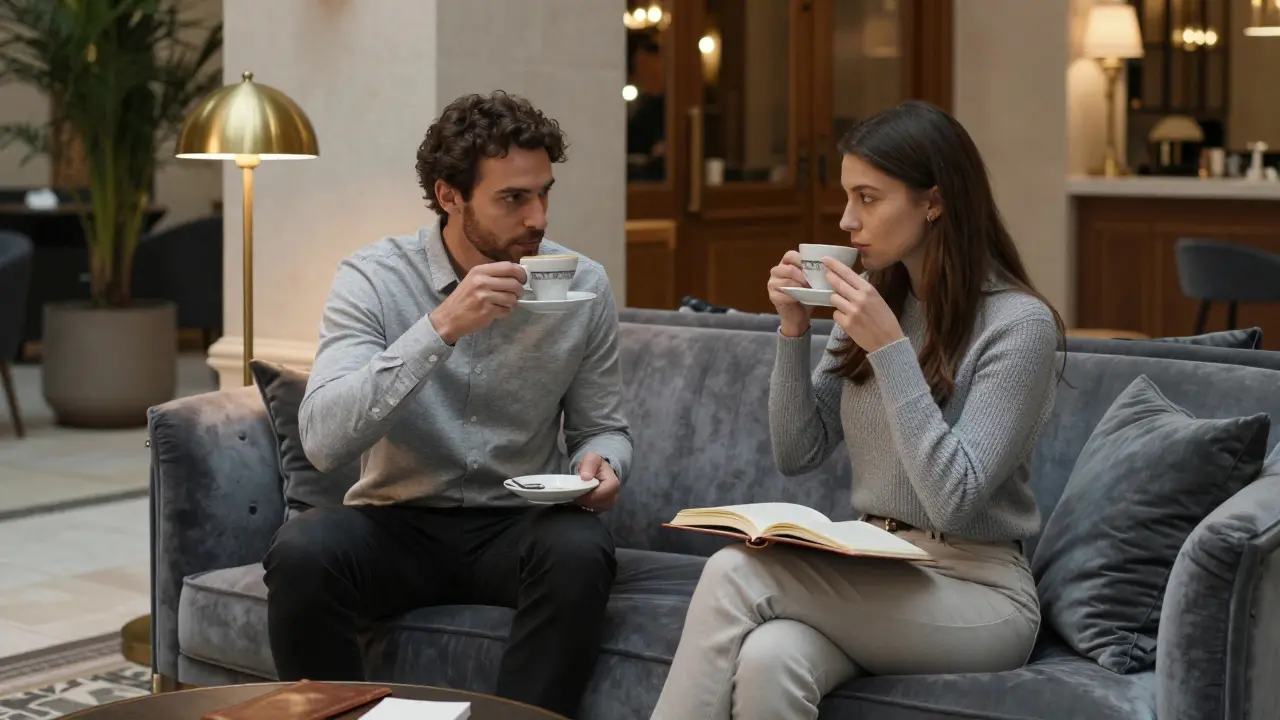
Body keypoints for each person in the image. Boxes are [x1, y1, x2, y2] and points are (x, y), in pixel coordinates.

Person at [650, 100, 1065, 719]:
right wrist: (793, 331)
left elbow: (954, 498)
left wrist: (890, 347)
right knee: (771, 658)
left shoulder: (1018, 325)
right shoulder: (876, 305)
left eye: (868, 198)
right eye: (847, 197)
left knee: (735, 573)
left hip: (980, 593)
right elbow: (798, 452)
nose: (847, 220)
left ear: (933, 201)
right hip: (877, 563)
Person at [263, 90, 632, 718]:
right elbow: (323, 441)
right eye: (514, 198)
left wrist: (604, 462)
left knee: (581, 550)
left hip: (518, 523)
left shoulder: (583, 284)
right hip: (396, 522)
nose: (538, 217)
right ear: (449, 195)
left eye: (544, 192)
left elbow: (604, 427)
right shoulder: (373, 278)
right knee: (303, 551)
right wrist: (440, 328)